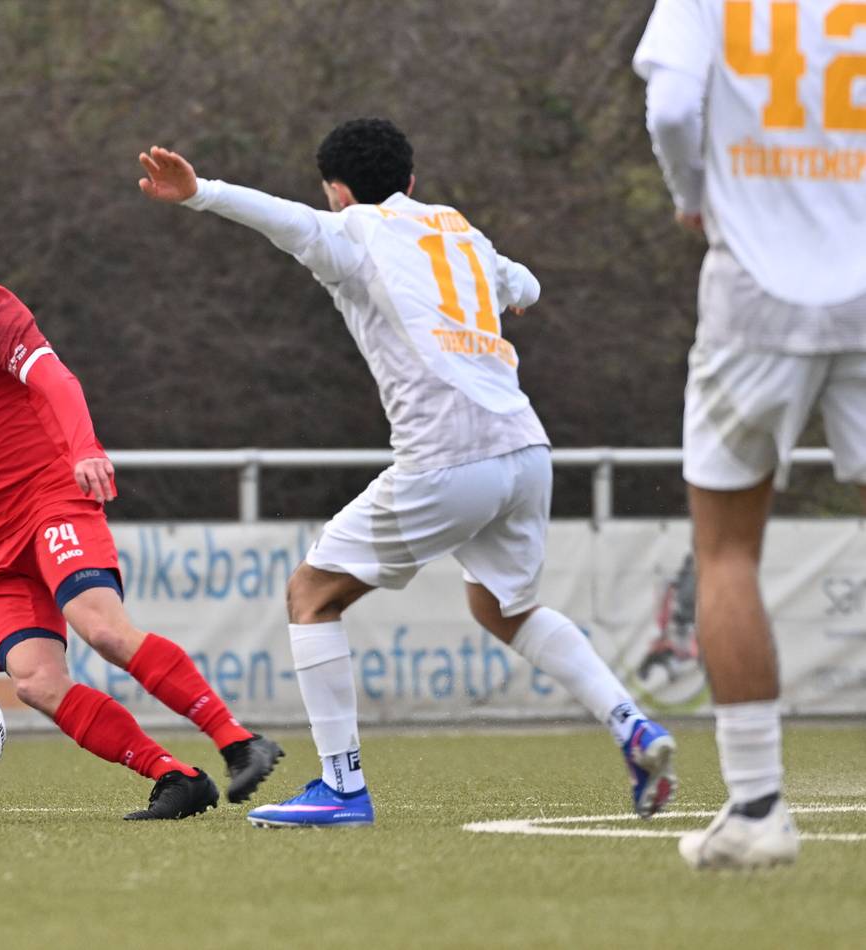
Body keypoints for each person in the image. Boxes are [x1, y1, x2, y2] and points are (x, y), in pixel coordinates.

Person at [138, 118, 678, 828]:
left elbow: (280, 218)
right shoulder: (459, 231)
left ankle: (341, 788)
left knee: (311, 595)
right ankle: (631, 725)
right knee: (505, 609)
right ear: (412, 181)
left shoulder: (349, 233)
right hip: (525, 449)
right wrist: (510, 294)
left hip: (449, 454)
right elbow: (527, 284)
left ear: (337, 191)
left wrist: (199, 191)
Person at [0, 202, 282, 819]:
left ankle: (239, 741)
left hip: (48, 500)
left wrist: (86, 449)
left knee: (104, 630)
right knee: (35, 682)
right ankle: (176, 778)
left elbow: (57, 381)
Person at [635, 0, 866, 868]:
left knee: (727, 550)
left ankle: (759, 808)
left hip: (754, 299)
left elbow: (669, 107)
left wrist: (693, 195)